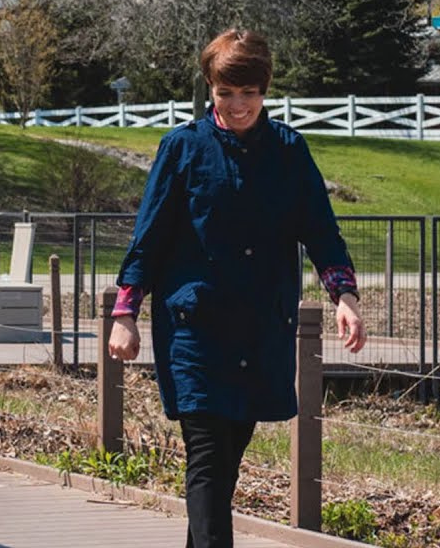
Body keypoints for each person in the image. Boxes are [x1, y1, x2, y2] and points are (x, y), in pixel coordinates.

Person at [107, 29, 367, 548]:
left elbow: (321, 230)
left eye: (248, 93)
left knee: (225, 464)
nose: (238, 104)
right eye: (226, 93)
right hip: (195, 330)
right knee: (205, 457)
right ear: (210, 89)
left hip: (259, 329)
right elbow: (149, 236)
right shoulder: (182, 149)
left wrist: (345, 296)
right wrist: (125, 312)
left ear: (265, 90)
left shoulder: (290, 152)